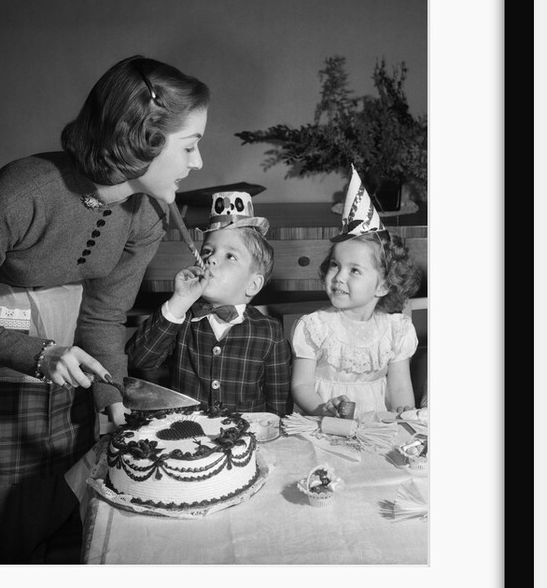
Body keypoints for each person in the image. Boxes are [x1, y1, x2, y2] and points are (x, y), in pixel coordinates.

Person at [0, 54, 210, 562]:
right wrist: (37, 352)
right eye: (191, 146)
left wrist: (111, 394)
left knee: (57, 520)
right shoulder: (24, 191)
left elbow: (102, 317)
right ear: (144, 137)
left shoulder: (148, 214)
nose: (197, 164)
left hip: (66, 390)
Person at [126, 191, 292, 416]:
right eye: (207, 251)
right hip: (186, 436)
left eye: (230, 256)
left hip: (245, 441)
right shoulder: (182, 318)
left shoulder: (270, 333)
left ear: (253, 285)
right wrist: (179, 301)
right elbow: (140, 359)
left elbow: (279, 403)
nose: (211, 259)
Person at [290, 165, 422, 419]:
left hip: (375, 427)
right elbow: (301, 385)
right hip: (323, 424)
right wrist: (322, 409)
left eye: (355, 271)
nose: (338, 277)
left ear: (384, 285)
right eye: (335, 265)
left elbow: (400, 389)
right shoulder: (315, 327)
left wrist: (404, 417)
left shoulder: (395, 331)